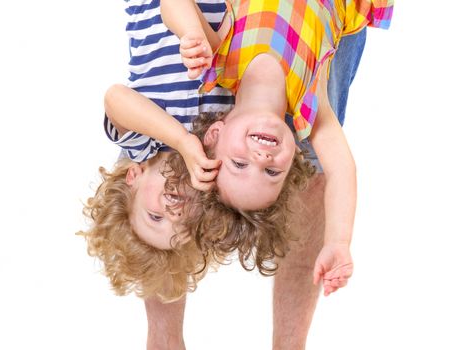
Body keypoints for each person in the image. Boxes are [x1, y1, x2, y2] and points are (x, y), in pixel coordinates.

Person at [160, 0, 393, 283]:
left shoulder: (221, 63)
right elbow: (341, 170)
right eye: (271, 173)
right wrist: (337, 242)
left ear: (215, 134)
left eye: (239, 164)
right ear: (292, 159)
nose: (260, 159)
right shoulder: (309, 104)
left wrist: (190, 33)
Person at [78, 0, 234, 304]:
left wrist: (181, 140)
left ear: (133, 178)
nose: (173, 215)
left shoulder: (143, 147)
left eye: (155, 217)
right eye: (183, 227)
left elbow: (115, 98)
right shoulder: (215, 150)